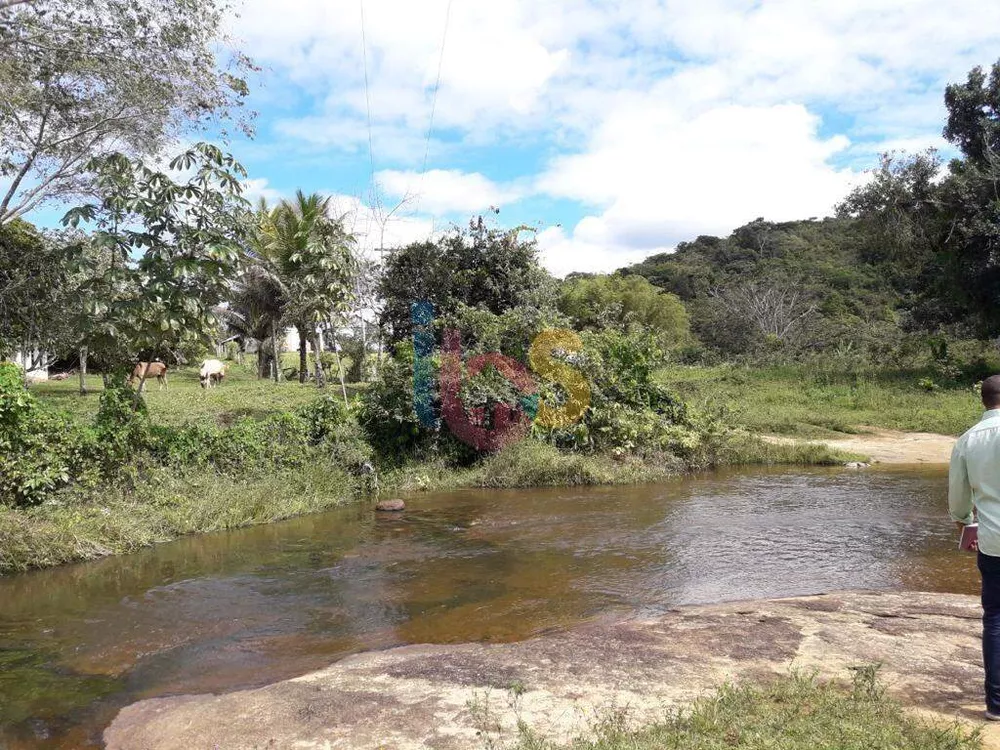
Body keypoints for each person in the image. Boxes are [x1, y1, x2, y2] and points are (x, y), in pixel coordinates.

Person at [950, 374, 1000, 720]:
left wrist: (966, 522)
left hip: (993, 540)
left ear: (983, 401)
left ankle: (996, 705)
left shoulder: (967, 440)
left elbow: (958, 501)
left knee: (995, 619)